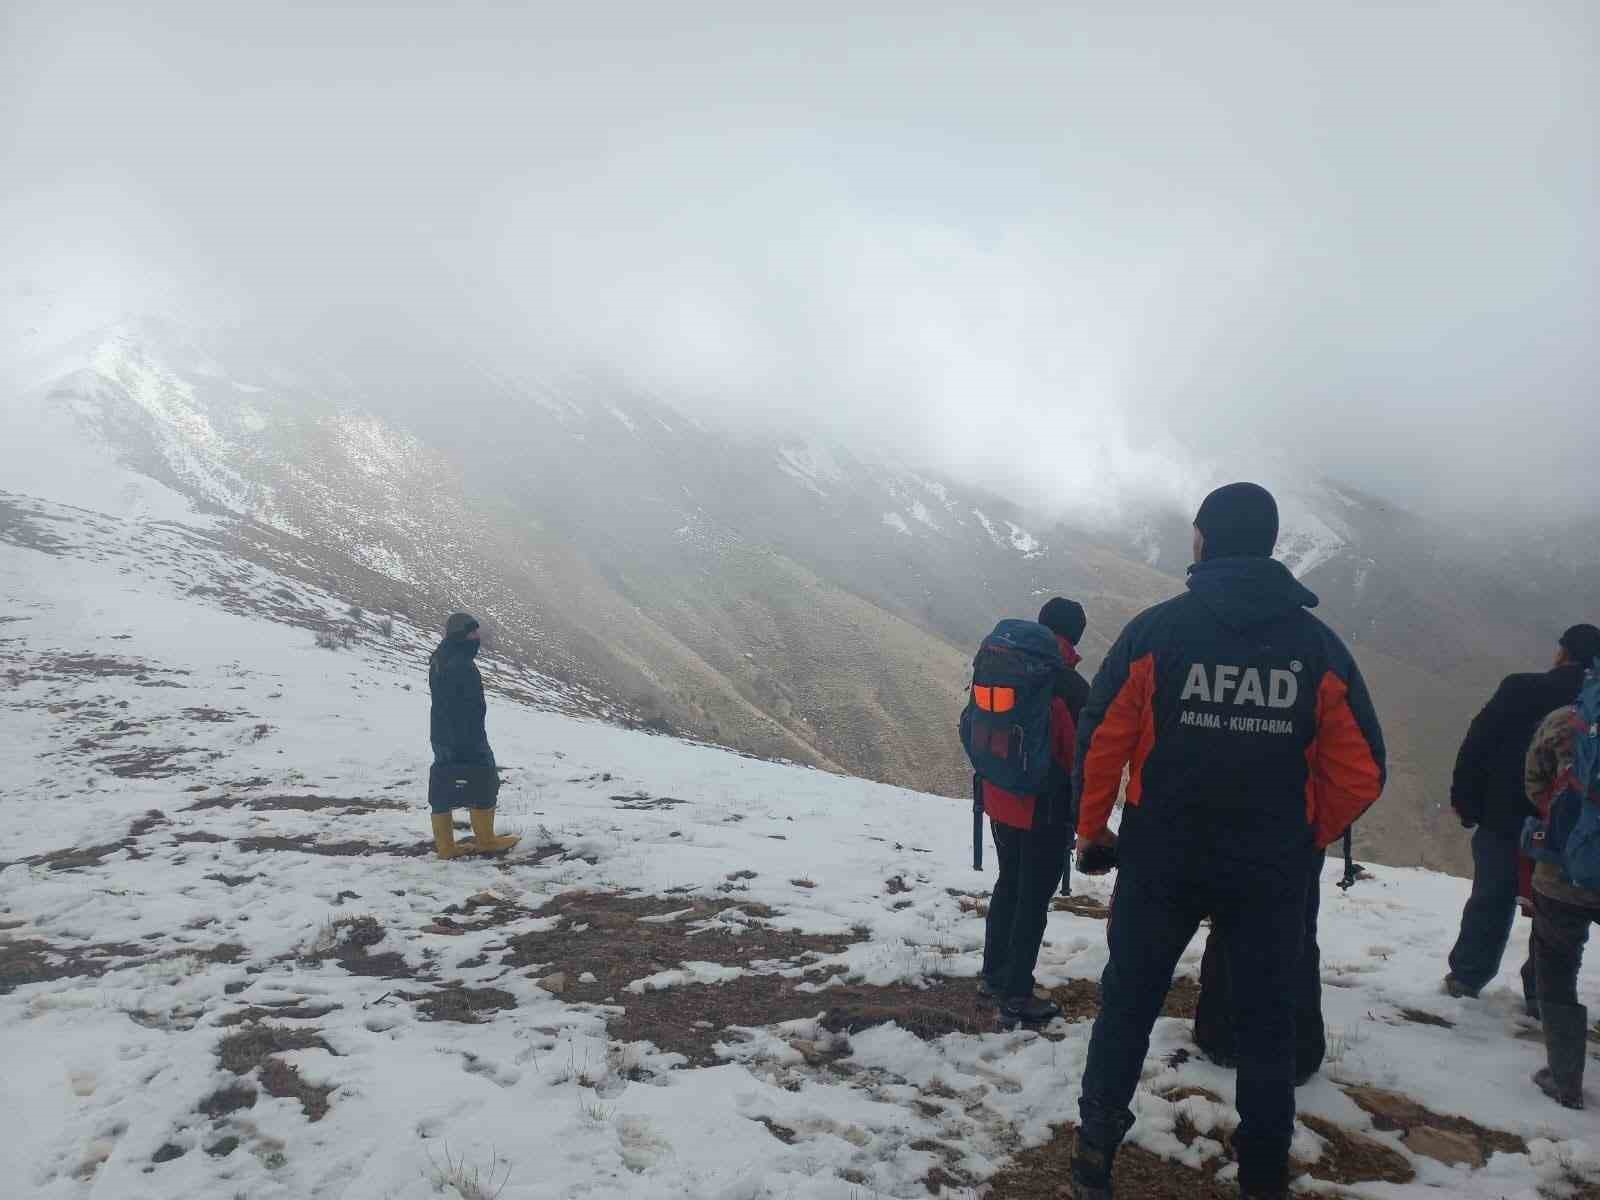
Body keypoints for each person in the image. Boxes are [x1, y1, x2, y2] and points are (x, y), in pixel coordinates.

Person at [1068, 483, 1386, 1200]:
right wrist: (1305, 834)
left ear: (1203, 540)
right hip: (1270, 868)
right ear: (1269, 546)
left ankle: (1094, 1156)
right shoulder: (1317, 648)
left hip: (1162, 857)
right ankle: (1263, 1178)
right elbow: (1362, 771)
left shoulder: (1156, 634)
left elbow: (1102, 740)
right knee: (1269, 1024)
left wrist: (1093, 829)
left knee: (1128, 1003)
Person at [1444, 624, 1600, 1005]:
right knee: (1554, 914)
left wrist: (1466, 802)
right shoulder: (1591, 705)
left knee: (1490, 898)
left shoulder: (1520, 687)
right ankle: (1542, 995)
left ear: (1562, 652)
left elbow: (1477, 744)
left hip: (1504, 818)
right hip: (1569, 830)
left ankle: (1467, 977)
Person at [978, 597, 1090, 1027]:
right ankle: (1016, 993)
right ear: (1076, 636)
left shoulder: (1005, 662)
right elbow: (1079, 757)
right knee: (1033, 897)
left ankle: (993, 976)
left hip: (999, 794)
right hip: (1044, 806)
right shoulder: (1069, 685)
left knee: (1009, 881)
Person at [1522, 679, 1599, 1110]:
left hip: (1561, 867)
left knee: (1556, 966)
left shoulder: (1565, 721)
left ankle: (1564, 1078)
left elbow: (1535, 784)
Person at [428, 612, 519, 857]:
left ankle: (446, 847)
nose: (477, 636)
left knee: (443, 782)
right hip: (467, 736)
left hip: (440, 734)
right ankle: (487, 841)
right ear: (461, 635)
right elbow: (466, 707)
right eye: (472, 632)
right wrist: (471, 736)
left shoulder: (439, 657)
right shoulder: (462, 665)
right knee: (485, 779)